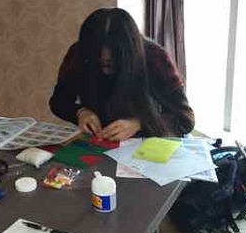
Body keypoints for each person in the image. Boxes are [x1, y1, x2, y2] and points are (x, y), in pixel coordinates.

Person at [49, 8, 195, 141]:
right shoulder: (78, 53)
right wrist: (80, 112)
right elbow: (58, 102)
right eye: (97, 60)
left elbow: (185, 119)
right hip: (98, 142)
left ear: (129, 51)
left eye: (112, 62)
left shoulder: (155, 57)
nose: (104, 69)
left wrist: (139, 124)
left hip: (144, 144)